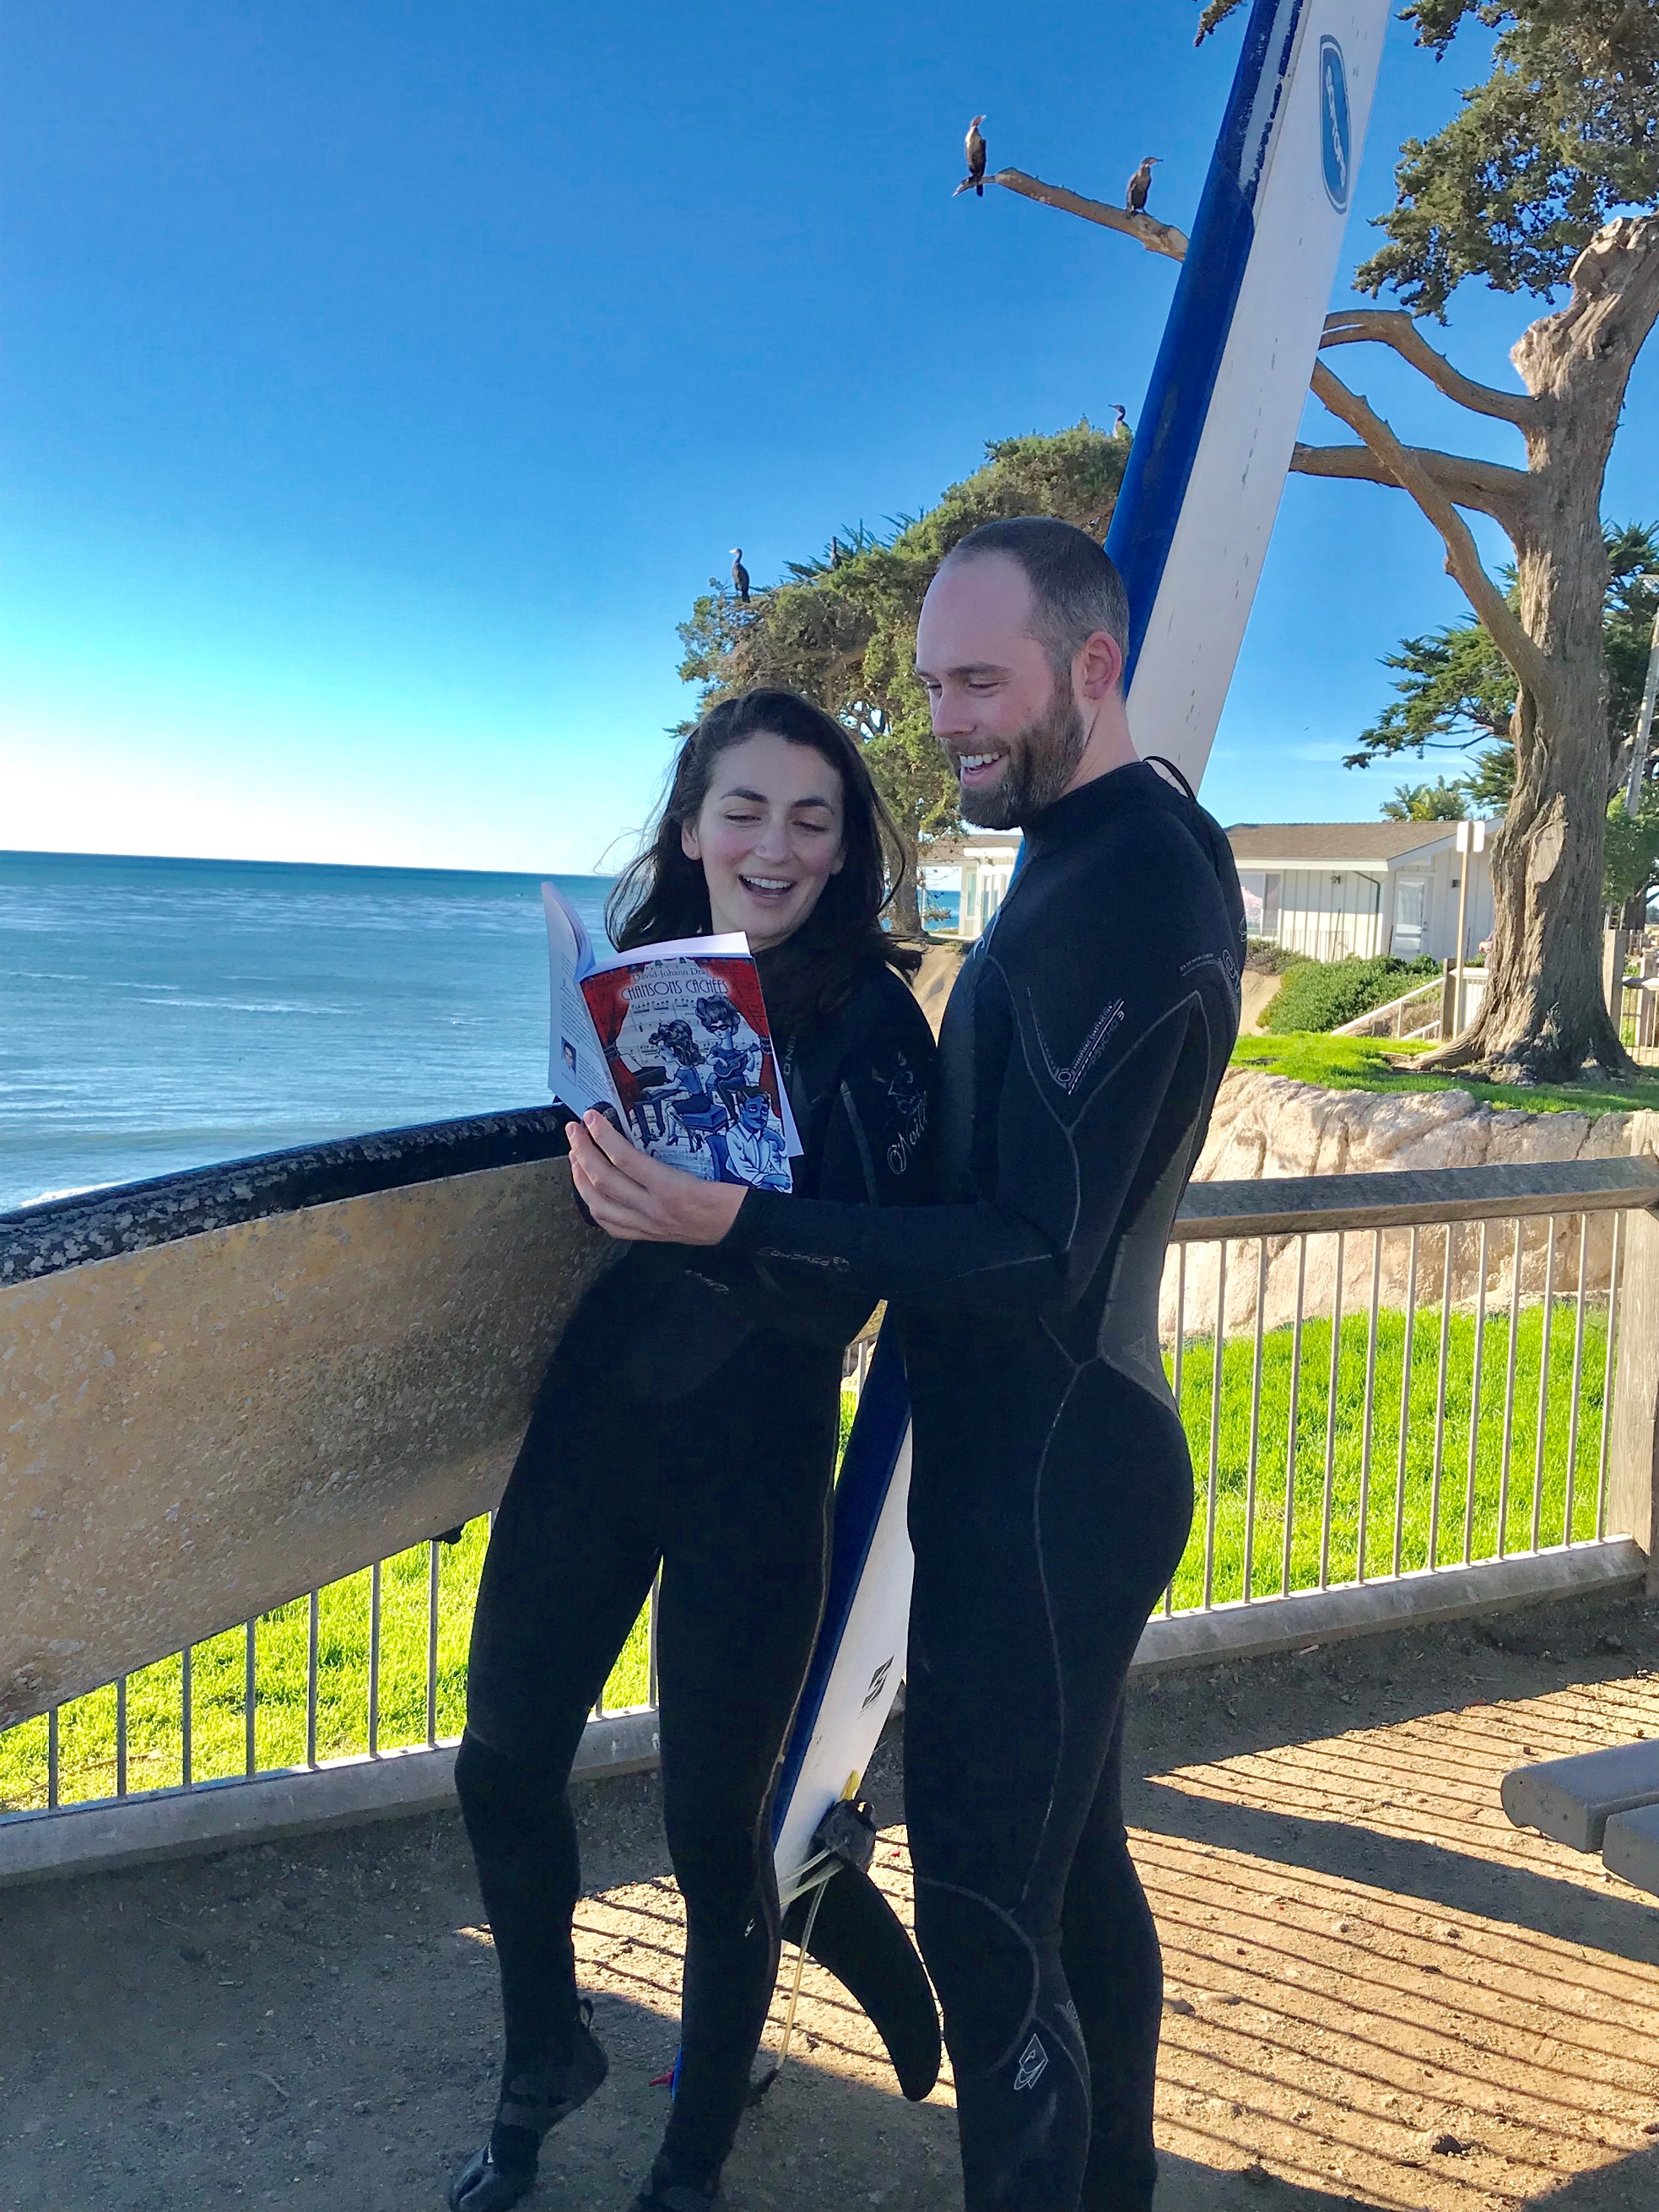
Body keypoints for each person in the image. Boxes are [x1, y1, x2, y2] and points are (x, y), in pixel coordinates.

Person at [567, 518, 1246, 2212]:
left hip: (1046, 1481)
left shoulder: (1118, 885)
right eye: (934, 679)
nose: (943, 717)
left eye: (979, 682)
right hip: (1057, 1456)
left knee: (986, 1915)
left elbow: (1031, 1247)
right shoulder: (1132, 842)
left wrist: (732, 1221)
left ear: (1091, 669)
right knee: (1071, 1879)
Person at [449, 690, 936, 2212]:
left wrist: (724, 1215)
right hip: (605, 1406)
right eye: (744, 809)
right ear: (689, 824)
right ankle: (546, 2050)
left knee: (709, 1828)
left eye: (811, 815)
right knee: (500, 1761)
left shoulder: (874, 1021)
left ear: (847, 842)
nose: (774, 844)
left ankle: (688, 2164)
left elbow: (871, 1271)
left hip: (759, 1436)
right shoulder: (631, 982)